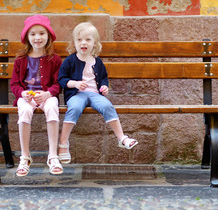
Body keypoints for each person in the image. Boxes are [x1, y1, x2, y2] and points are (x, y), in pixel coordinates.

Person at [57, 22, 138, 164]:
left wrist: (104, 87)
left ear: (94, 43)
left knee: (107, 106)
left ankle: (121, 138)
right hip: (76, 95)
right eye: (79, 39)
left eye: (88, 40)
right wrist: (75, 84)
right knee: (74, 108)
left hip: (94, 95)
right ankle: (63, 144)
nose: (84, 43)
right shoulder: (70, 61)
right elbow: (62, 79)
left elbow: (103, 78)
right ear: (74, 42)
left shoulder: (98, 62)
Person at [10, 15, 63, 176]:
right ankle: (25, 157)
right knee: (24, 111)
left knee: (53, 107)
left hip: (46, 96)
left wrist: (48, 94)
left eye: (41, 33)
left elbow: (58, 83)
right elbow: (14, 84)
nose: (37, 38)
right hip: (27, 97)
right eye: (32, 34)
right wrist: (23, 93)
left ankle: (53, 156)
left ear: (48, 36)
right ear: (27, 37)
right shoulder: (20, 60)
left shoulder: (54, 59)